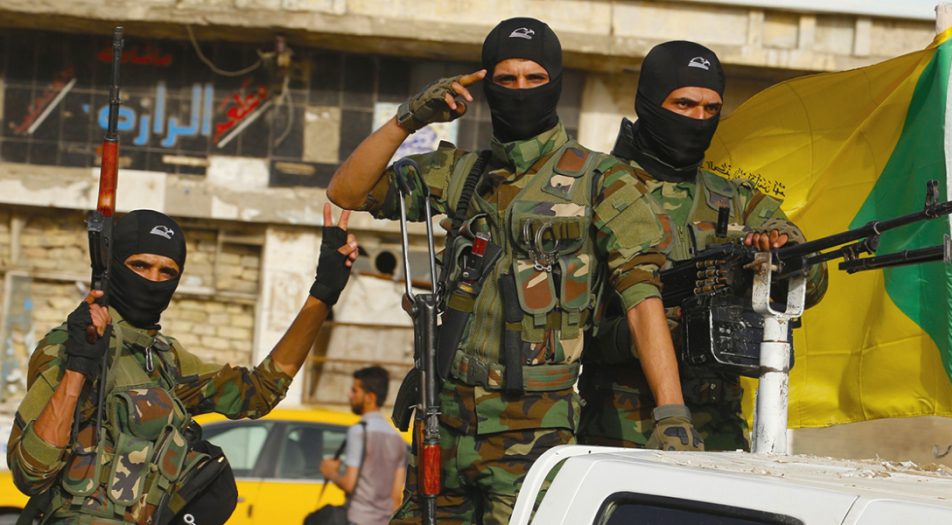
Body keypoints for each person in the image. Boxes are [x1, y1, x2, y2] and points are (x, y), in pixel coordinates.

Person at [327, 17, 698, 524]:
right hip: (444, 422)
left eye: (534, 78)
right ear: (488, 86)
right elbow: (347, 192)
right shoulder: (460, 173)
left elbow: (641, 296)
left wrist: (671, 413)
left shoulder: (602, 179)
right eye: (506, 79)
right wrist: (408, 120)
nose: (521, 90)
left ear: (555, 83)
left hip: (534, 433)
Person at [8, 205, 358, 524]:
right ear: (113, 265)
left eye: (167, 271)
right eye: (140, 266)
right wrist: (79, 365)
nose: (153, 280)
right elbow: (31, 473)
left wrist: (322, 294)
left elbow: (259, 391)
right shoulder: (67, 346)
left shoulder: (165, 358)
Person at [578, 41, 829, 451]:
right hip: (620, 429)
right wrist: (652, 330)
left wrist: (783, 250)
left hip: (720, 429)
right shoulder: (599, 187)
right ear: (649, 103)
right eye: (684, 104)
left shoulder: (735, 199)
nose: (698, 119)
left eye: (711, 109)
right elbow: (567, 318)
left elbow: (814, 281)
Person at [319, 366, 408, 525]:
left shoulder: (359, 431)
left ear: (370, 397)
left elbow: (350, 484)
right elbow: (396, 497)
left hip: (358, 518)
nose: (349, 395)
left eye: (355, 391)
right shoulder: (397, 439)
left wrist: (330, 472)